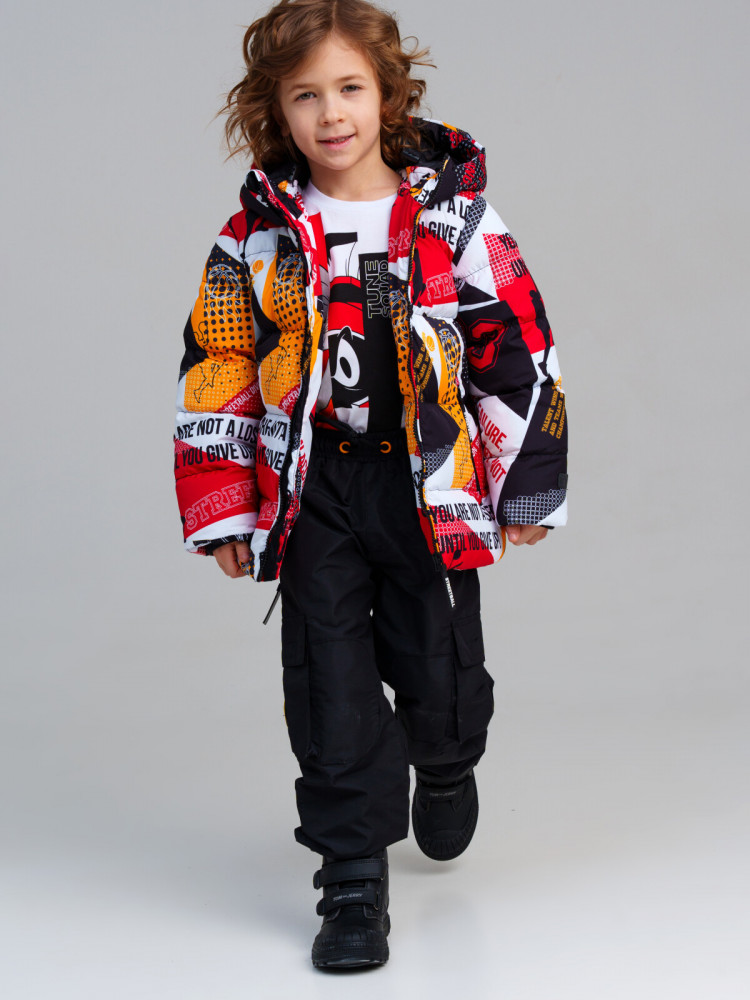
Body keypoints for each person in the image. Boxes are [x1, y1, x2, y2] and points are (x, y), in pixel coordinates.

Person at [174, 0, 567, 970]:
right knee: (328, 679)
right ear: (275, 110)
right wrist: (223, 503)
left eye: (349, 88)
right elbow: (218, 363)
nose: (331, 113)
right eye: (305, 96)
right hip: (317, 485)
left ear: (388, 96)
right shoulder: (257, 235)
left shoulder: (454, 220)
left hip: (424, 484)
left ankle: (447, 760)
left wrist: (525, 482)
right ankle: (351, 877)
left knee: (437, 664)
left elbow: (517, 345)